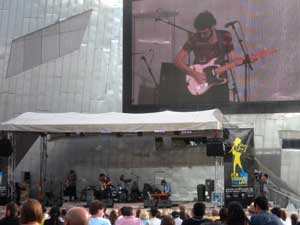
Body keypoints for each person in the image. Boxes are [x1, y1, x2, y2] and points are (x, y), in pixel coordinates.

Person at [175, 11, 254, 103]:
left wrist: (246, 60)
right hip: (201, 82)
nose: (202, 36)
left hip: (220, 81)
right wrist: (195, 74)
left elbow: (233, 59)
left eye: (205, 33)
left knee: (221, 112)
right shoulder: (195, 38)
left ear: (212, 27)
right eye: (199, 33)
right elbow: (178, 60)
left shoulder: (225, 36)